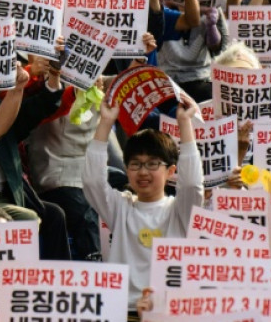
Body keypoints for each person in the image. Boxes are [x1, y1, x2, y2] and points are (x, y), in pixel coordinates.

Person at [84, 93, 204, 319]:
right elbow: (92, 182)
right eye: (135, 164)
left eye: (152, 164)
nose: (143, 172)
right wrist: (106, 122)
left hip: (167, 313)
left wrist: (185, 123)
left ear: (171, 171)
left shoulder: (180, 211)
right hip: (122, 311)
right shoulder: (120, 207)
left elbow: (191, 185)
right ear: (126, 169)